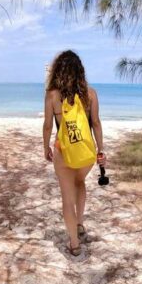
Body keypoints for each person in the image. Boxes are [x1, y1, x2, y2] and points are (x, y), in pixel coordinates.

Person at [43, 50, 106, 257]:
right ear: (80, 71)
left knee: (67, 198)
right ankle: (79, 224)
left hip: (63, 153)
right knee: (80, 183)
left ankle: (74, 243)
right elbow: (95, 123)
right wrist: (100, 149)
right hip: (85, 153)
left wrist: (46, 147)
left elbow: (47, 126)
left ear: (58, 71)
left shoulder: (52, 95)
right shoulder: (91, 94)